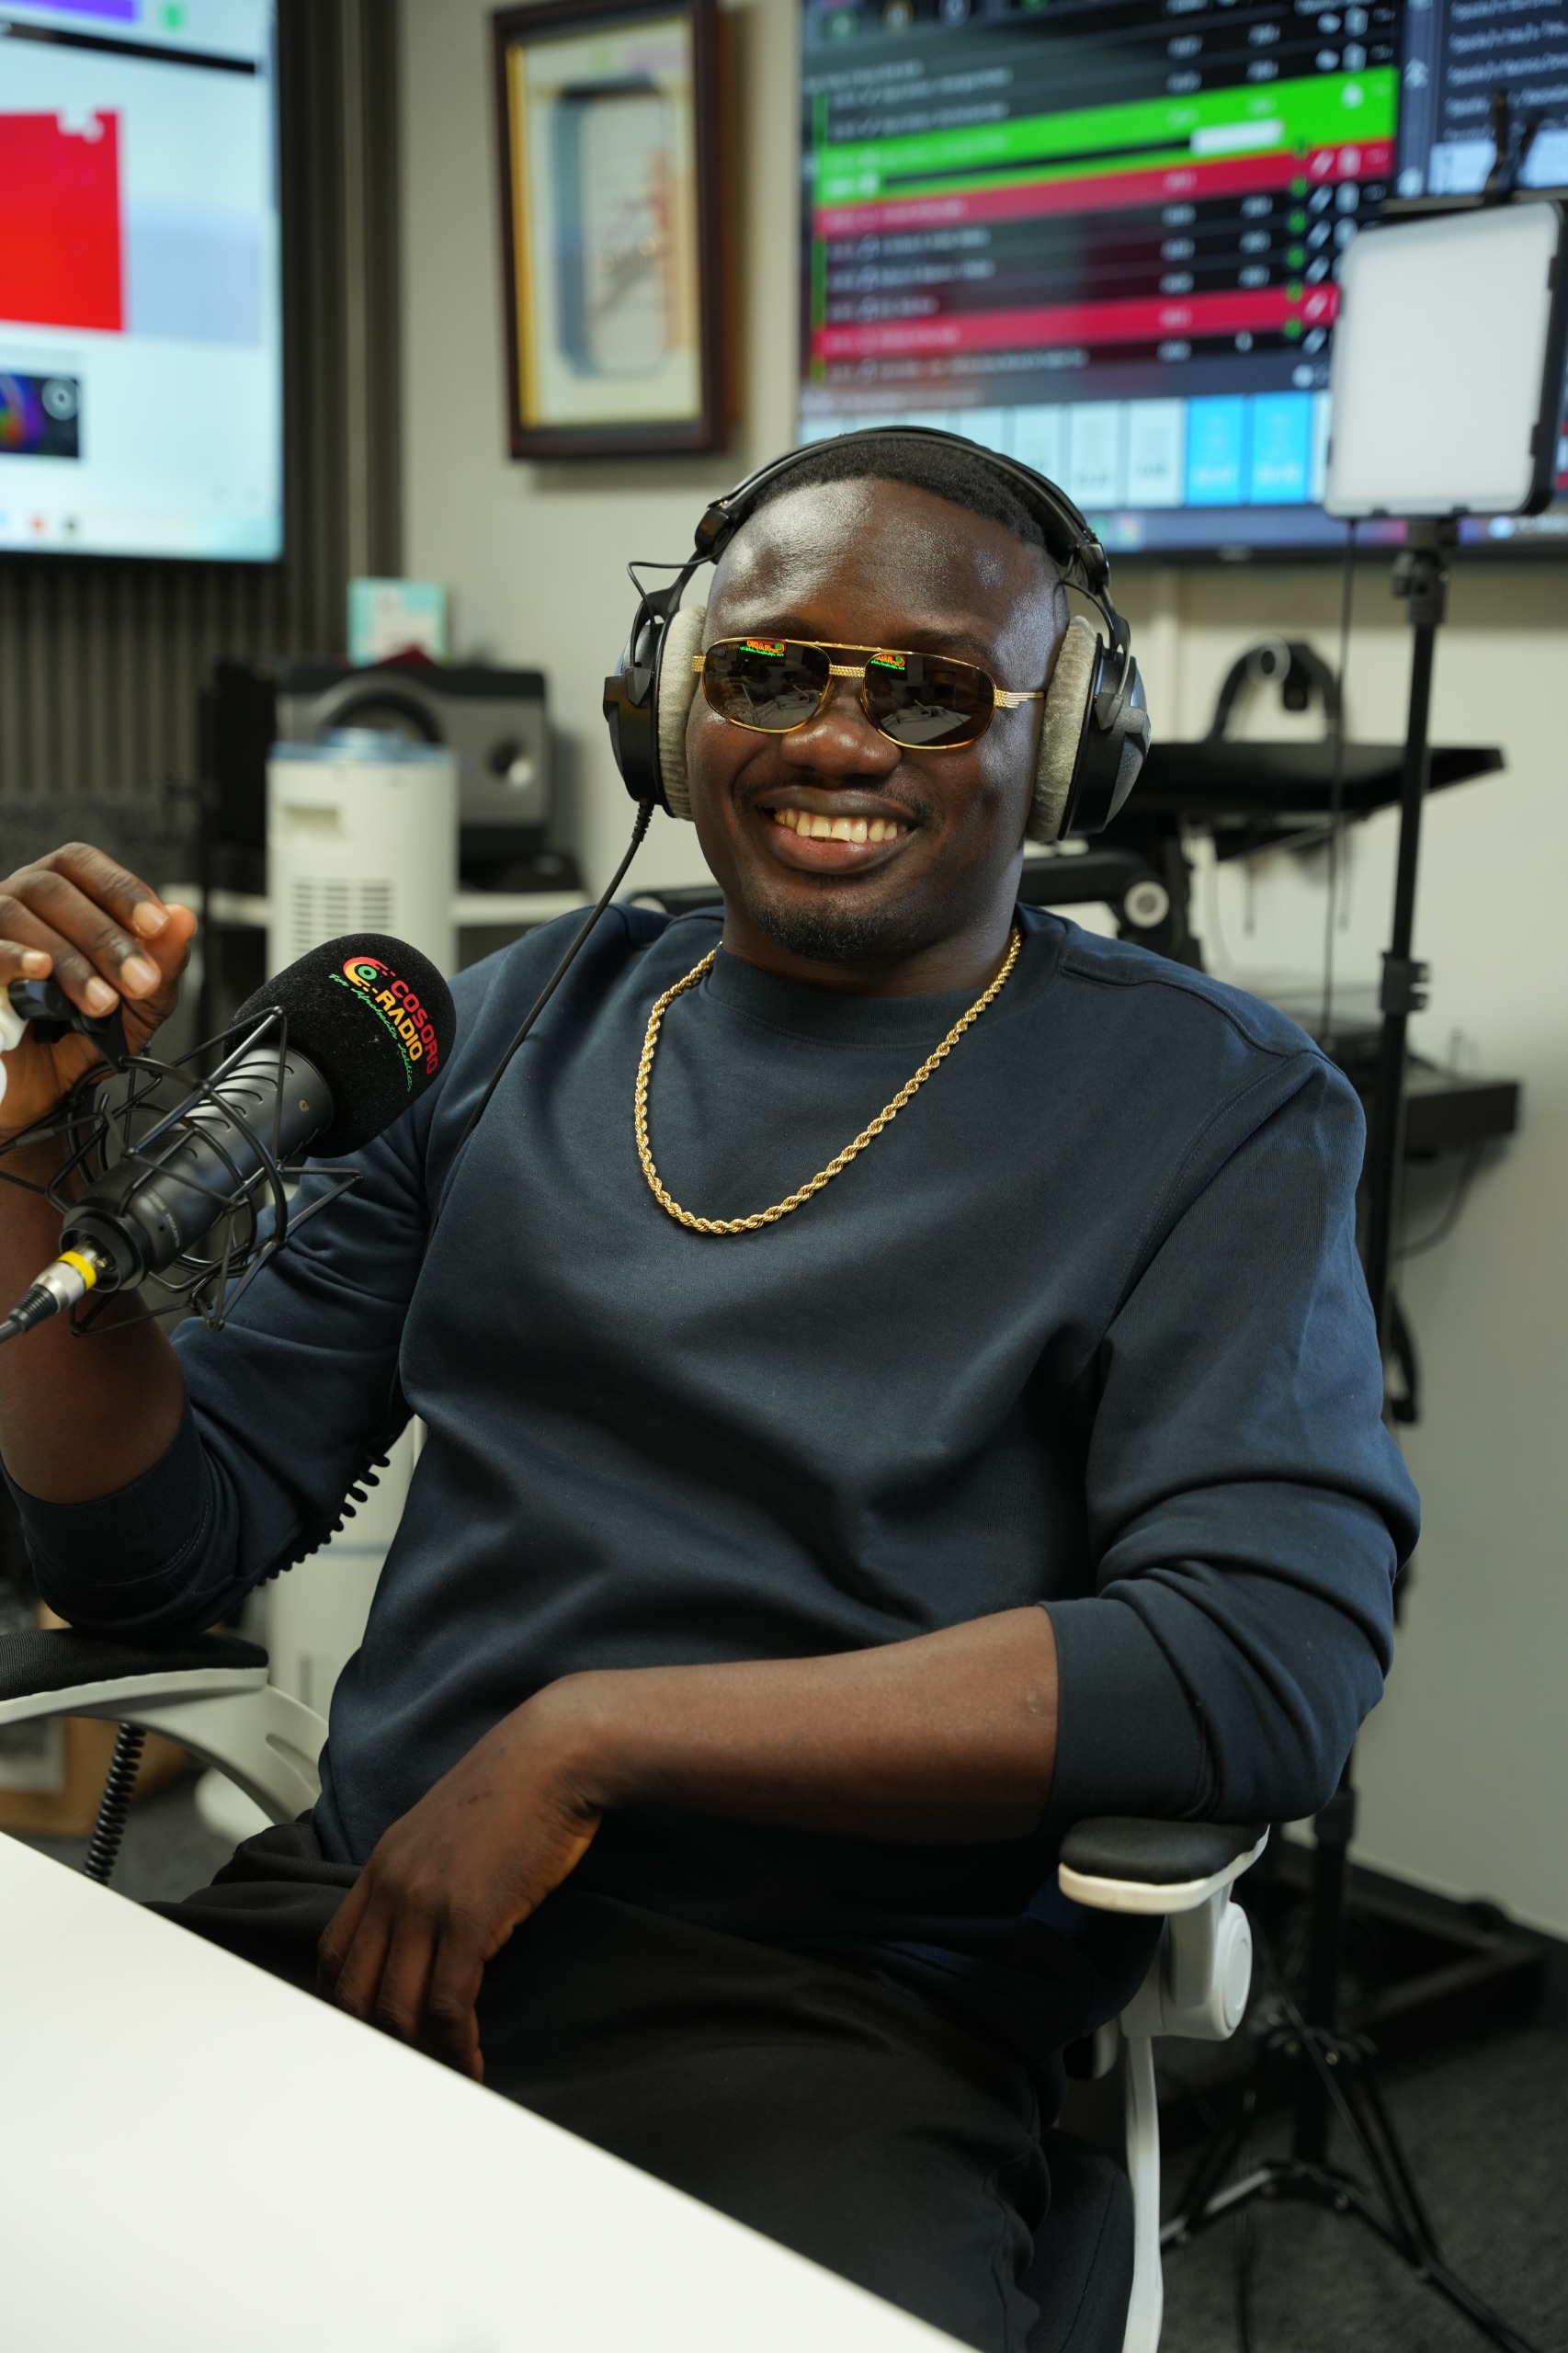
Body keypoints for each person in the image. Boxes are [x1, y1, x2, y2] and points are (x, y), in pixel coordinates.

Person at [0, 436, 1416, 2352]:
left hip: (836, 2012)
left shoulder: (1214, 1110)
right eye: (767, 669)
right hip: (379, 1906)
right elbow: (152, 1545)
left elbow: (1262, 1662)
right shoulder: (513, 1019)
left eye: (929, 691)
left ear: (1065, 736)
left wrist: (598, 1736)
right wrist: (31, 1159)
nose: (836, 738)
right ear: (670, 701)